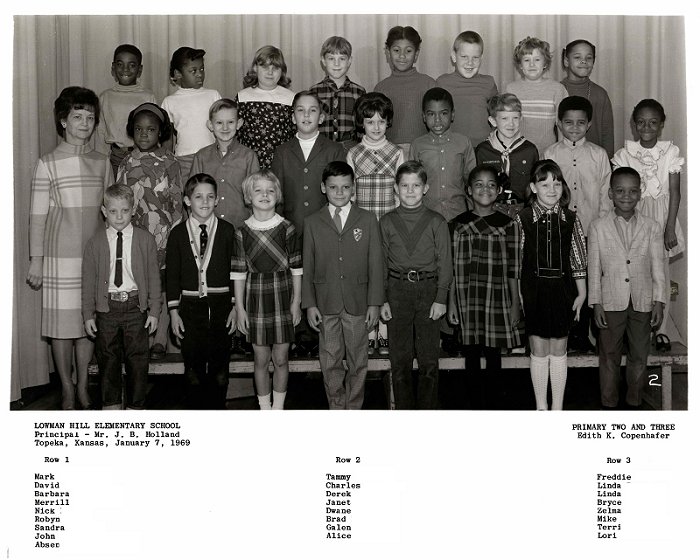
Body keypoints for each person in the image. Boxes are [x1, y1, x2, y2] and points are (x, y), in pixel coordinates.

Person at [26, 86, 113, 410]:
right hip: (58, 259)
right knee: (62, 329)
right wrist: (37, 261)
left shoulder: (102, 162)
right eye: (78, 117)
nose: (85, 124)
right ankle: (65, 387)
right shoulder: (47, 163)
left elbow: (110, 215)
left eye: (90, 118)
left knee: (86, 325)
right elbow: (37, 218)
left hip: (92, 258)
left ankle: (81, 387)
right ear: (63, 121)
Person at [302, 161, 384, 409]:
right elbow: (308, 265)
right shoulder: (312, 222)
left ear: (353, 188)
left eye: (345, 187)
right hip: (326, 303)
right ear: (323, 188)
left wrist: (375, 303)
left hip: (358, 303)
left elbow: (376, 263)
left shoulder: (367, 219)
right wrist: (310, 304)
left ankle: (354, 409)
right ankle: (336, 408)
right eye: (334, 187)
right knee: (330, 361)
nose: (340, 192)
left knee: (358, 361)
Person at [270, 91, 345, 357]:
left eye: (312, 110)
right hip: (291, 225)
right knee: (296, 278)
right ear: (292, 117)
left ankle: (323, 332)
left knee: (321, 276)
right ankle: (299, 333)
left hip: (324, 225)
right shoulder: (281, 151)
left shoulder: (335, 149)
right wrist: (278, 226)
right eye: (300, 111)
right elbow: (277, 192)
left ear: (322, 117)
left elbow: (339, 189)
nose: (306, 115)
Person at [588, 167, 665, 409]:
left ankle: (635, 403)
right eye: (620, 191)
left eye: (633, 191)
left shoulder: (652, 226)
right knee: (609, 355)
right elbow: (594, 269)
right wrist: (596, 302)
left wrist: (659, 302)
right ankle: (608, 403)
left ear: (640, 193)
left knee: (639, 356)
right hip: (610, 301)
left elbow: (658, 266)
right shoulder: (598, 227)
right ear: (610, 193)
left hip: (642, 301)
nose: (626, 196)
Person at [447, 165, 523, 409]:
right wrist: (452, 303)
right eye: (478, 184)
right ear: (469, 190)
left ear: (499, 190)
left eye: (491, 185)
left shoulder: (508, 225)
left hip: (497, 299)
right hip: (466, 298)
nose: (485, 189)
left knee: (493, 355)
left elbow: (513, 269)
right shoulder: (457, 225)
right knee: (470, 355)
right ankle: (474, 405)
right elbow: (450, 270)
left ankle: (492, 405)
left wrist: (514, 305)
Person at [611, 99, 685, 352]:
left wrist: (669, 227)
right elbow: (621, 193)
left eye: (653, 122)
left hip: (662, 218)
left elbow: (674, 193)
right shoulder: (624, 154)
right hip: (636, 214)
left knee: (659, 273)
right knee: (634, 271)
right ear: (634, 125)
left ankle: (661, 330)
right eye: (641, 122)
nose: (646, 127)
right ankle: (633, 329)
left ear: (661, 125)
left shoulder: (671, 153)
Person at [515, 160, 587, 410]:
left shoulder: (571, 218)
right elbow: (517, 259)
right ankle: (541, 407)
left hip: (562, 290)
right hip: (533, 290)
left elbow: (577, 256)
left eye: (557, 183)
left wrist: (582, 291)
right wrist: (518, 294)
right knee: (538, 347)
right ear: (533, 188)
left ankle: (557, 408)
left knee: (559, 347)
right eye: (544, 183)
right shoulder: (522, 218)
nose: (552, 188)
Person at [380, 161, 452, 409]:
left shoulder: (436, 221)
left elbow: (445, 262)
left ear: (426, 188)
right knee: (399, 362)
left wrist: (441, 298)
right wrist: (383, 298)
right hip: (397, 290)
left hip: (428, 291)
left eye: (416, 185)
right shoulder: (387, 222)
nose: (410, 191)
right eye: (404, 186)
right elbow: (380, 263)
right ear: (395, 189)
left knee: (429, 361)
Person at [82, 185, 161, 410]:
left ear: (133, 210)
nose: (119, 217)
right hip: (107, 309)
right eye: (113, 211)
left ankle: (136, 408)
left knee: (138, 361)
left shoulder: (145, 240)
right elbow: (88, 283)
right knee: (107, 360)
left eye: (124, 211)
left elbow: (154, 279)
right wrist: (88, 315)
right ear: (104, 211)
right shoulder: (95, 243)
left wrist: (154, 310)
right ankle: (111, 407)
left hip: (136, 307)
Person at [544, 95, 611, 353]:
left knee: (589, 282)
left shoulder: (599, 155)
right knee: (565, 284)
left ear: (589, 124)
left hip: (590, 229)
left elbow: (605, 194)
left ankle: (584, 336)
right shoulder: (550, 153)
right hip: (560, 230)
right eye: (568, 122)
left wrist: (600, 228)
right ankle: (567, 337)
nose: (574, 127)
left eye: (580, 122)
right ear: (559, 123)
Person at [117, 102, 183, 360]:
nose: (144, 134)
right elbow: (119, 200)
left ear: (161, 132)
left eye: (151, 129)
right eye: (138, 129)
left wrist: (176, 232)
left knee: (164, 285)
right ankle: (141, 335)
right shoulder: (126, 162)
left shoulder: (170, 162)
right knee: (140, 285)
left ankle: (161, 338)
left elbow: (177, 201)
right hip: (135, 235)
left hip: (163, 235)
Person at [232, 170, 302, 410]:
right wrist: (240, 309)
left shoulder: (287, 228)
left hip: (283, 297)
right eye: (258, 190)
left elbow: (297, 269)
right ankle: (264, 410)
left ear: (278, 196)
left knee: (281, 359)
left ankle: (278, 409)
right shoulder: (241, 232)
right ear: (248, 197)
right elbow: (239, 274)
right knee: (260, 359)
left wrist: (296, 302)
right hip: (256, 300)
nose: (265, 194)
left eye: (270, 190)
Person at [166, 174, 237, 409]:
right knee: (193, 374)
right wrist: (174, 312)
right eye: (198, 197)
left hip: (221, 309)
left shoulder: (228, 232)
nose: (205, 202)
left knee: (220, 374)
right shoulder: (177, 234)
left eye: (210, 197)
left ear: (217, 200)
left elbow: (236, 273)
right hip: (190, 310)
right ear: (187, 201)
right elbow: (172, 276)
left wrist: (235, 307)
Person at [347, 92, 404, 355]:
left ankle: (384, 332)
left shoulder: (396, 153)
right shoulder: (354, 154)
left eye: (381, 121)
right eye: (370, 122)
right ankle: (369, 333)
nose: (376, 127)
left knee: (385, 278)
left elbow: (401, 193)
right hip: (363, 228)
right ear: (362, 123)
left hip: (388, 227)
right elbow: (350, 195)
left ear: (388, 122)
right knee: (367, 279)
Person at [190, 98, 260, 230]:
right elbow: (192, 193)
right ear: (210, 125)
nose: (225, 128)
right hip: (209, 227)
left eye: (230, 122)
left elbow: (255, 194)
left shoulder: (248, 156)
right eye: (219, 123)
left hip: (241, 226)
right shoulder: (201, 157)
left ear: (239, 123)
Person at [409, 87, 476, 222]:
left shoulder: (463, 143)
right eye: (431, 114)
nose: (438, 120)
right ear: (423, 116)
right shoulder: (417, 145)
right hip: (427, 216)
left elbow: (472, 181)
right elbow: (412, 183)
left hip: (459, 214)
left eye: (444, 113)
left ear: (452, 115)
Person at [94, 44, 157, 178]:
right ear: (113, 68)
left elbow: (156, 130)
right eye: (120, 64)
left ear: (140, 70)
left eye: (132, 65)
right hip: (115, 158)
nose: (125, 69)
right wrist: (102, 162)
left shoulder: (148, 96)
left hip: (142, 155)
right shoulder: (106, 96)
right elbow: (101, 132)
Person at [374, 25, 437, 157]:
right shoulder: (381, 88)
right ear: (387, 52)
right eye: (396, 50)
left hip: (424, 151)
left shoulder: (429, 84)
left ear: (416, 54)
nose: (402, 56)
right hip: (389, 152)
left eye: (408, 51)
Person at [475, 93, 539, 218]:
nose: (511, 124)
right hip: (491, 210)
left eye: (515, 118)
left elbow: (536, 185)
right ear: (493, 121)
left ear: (521, 119)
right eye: (504, 118)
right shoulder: (483, 150)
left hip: (523, 210)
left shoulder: (529, 150)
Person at [161, 47, 221, 178]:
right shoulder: (169, 102)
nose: (200, 74)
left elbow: (222, 127)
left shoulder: (213, 95)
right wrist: (167, 162)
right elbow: (167, 138)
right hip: (183, 159)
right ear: (178, 74)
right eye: (193, 71)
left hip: (211, 156)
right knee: (187, 193)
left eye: (202, 69)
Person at [505, 37, 568, 155]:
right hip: (517, 152)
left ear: (545, 63)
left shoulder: (557, 89)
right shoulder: (511, 89)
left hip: (548, 153)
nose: (532, 64)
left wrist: (560, 152)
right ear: (520, 65)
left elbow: (561, 125)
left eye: (537, 59)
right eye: (527, 60)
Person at [235, 45, 295, 169]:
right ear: (255, 68)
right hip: (249, 162)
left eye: (275, 68)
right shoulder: (242, 97)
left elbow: (295, 134)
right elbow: (236, 134)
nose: (270, 72)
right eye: (265, 67)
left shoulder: (291, 98)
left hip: (282, 162)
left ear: (282, 71)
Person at [436, 30, 498, 147]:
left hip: (483, 147)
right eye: (464, 57)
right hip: (452, 147)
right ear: (454, 57)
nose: (470, 63)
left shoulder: (489, 83)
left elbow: (498, 116)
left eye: (475, 57)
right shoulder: (442, 82)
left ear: (481, 58)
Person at [309, 36, 367, 151]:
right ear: (323, 61)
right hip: (321, 149)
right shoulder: (314, 92)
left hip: (351, 149)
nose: (337, 64)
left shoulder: (359, 92)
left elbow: (363, 127)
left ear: (349, 60)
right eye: (331, 58)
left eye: (342, 59)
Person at [560, 39, 615, 159]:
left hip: (593, 160)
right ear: (566, 61)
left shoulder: (600, 94)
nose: (584, 61)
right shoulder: (556, 90)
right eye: (577, 57)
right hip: (562, 158)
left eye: (588, 58)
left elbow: (607, 134)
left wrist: (608, 162)